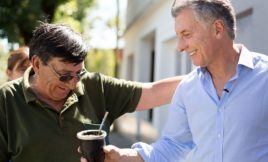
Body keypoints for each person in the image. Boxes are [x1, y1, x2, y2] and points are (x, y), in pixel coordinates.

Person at [87, 0, 268, 162]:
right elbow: (171, 146)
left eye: (186, 34)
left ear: (217, 29)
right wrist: (123, 155)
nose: (180, 46)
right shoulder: (187, 89)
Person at [0, 22, 183, 162]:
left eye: (78, 74)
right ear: (37, 64)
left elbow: (154, 92)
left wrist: (206, 75)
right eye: (64, 76)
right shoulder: (6, 99)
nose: (73, 84)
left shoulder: (95, 86)